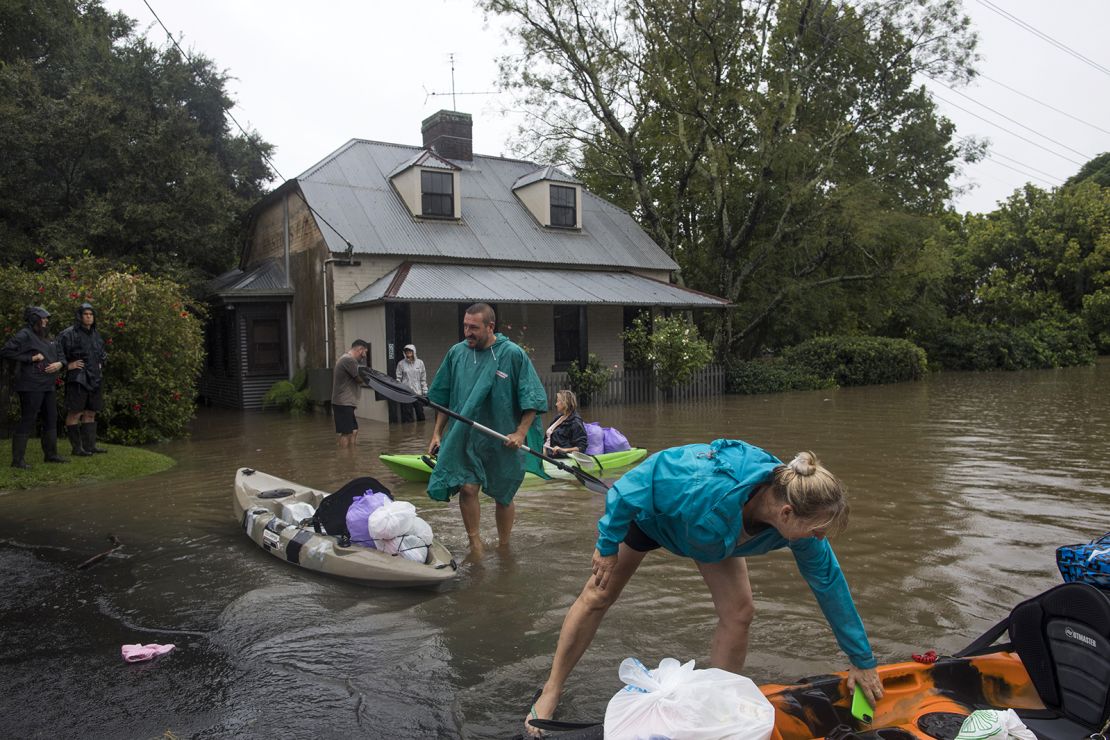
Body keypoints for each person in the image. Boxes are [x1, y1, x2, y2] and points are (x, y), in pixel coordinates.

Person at [524, 439, 883, 736]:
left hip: (715, 538)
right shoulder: (700, 482)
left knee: (739, 612)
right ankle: (552, 689)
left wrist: (861, 660)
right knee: (599, 594)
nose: (819, 539)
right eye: (817, 531)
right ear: (787, 513)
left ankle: (716, 703)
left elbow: (828, 583)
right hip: (657, 520)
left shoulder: (798, 521)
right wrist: (606, 547)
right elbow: (628, 489)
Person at [426, 303, 547, 554]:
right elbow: (443, 398)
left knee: (503, 494)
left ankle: (504, 546)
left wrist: (521, 432)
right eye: (465, 326)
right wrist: (438, 432)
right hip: (465, 435)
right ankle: (476, 545)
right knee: (468, 488)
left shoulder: (513, 354)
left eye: (474, 327)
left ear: (490, 327)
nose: (468, 332)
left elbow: (532, 399)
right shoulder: (456, 353)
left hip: (502, 437)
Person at [1, 306, 68, 468]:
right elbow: (5, 351)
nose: (45, 321)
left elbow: (61, 355)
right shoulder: (25, 334)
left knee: (51, 418)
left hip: (48, 385)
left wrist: (60, 364)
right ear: (33, 319)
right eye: (42, 318)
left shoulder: (49, 337)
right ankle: (17, 461)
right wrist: (30, 358)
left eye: (46, 318)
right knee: (28, 419)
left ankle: (51, 455)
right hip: (30, 384)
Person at [56, 302, 108, 456]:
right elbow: (56, 352)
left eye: (91, 314)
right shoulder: (68, 334)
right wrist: (67, 365)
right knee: (75, 413)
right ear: (80, 316)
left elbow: (101, 352)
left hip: (95, 378)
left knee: (91, 412)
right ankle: (77, 448)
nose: (89, 317)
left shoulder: (95, 334)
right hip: (78, 378)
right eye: (86, 314)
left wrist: (101, 361)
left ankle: (89, 446)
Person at [331, 339, 369, 449]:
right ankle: (344, 457)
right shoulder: (348, 360)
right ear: (360, 350)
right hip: (342, 402)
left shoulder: (347, 359)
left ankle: (351, 455)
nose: (365, 356)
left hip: (347, 402)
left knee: (354, 430)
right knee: (346, 432)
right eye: (365, 352)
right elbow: (360, 379)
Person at [542, 389, 587, 458]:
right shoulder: (558, 418)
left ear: (565, 403)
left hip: (554, 456)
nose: (556, 404)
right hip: (544, 451)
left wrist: (564, 450)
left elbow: (582, 447)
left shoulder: (575, 422)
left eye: (558, 401)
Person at [394, 343, 427, 422]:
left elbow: (423, 378)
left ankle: (420, 433)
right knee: (407, 416)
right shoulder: (401, 364)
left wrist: (425, 390)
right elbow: (398, 378)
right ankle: (409, 433)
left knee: (420, 414)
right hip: (406, 393)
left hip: (418, 392)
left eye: (410, 351)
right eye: (406, 351)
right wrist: (399, 390)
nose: (408, 352)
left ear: (414, 352)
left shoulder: (420, 363)